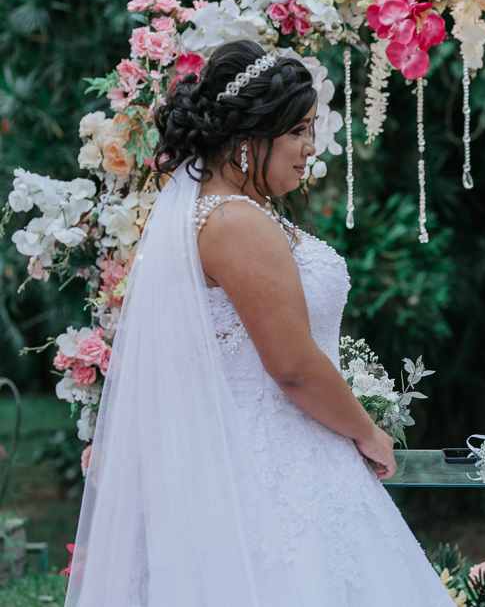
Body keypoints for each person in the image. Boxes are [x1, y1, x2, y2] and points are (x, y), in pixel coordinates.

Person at [65, 40, 455, 606]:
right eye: (296, 130)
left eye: (309, 129)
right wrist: (368, 432)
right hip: (274, 468)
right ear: (249, 138)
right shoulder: (234, 222)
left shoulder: (229, 213)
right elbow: (293, 366)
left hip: (285, 453)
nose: (308, 147)